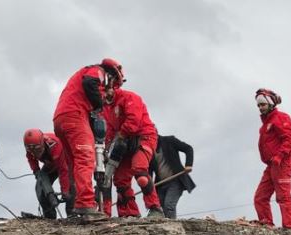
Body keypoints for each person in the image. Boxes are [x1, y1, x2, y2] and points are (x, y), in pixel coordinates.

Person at [53, 58, 124, 218]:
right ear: (112, 75)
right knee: (85, 158)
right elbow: (90, 82)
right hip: (74, 115)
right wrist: (99, 105)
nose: (109, 91)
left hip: (61, 119)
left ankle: (76, 205)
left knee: (74, 163)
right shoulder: (99, 71)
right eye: (111, 86)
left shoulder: (80, 79)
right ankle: (85, 204)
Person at [101, 84, 163, 217]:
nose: (106, 94)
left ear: (113, 87)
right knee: (120, 180)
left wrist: (119, 136)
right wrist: (107, 149)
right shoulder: (106, 109)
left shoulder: (129, 97)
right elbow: (110, 131)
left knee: (140, 172)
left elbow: (133, 121)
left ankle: (155, 208)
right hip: (124, 143)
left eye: (107, 89)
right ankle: (129, 213)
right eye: (102, 91)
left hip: (143, 137)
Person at [253, 88, 291, 229]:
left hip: (281, 163)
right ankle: (266, 223)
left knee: (283, 196)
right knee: (260, 197)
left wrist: (279, 156)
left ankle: (289, 227)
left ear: (271, 104)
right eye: (259, 105)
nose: (260, 108)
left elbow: (289, 140)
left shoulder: (281, 118)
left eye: (263, 104)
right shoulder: (266, 123)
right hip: (271, 165)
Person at [23, 128, 74, 219]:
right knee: (40, 186)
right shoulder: (30, 147)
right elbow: (31, 159)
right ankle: (49, 216)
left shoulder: (54, 145)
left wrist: (64, 191)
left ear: (43, 143)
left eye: (38, 149)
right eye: (31, 150)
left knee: (71, 187)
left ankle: (72, 214)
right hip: (50, 163)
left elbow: (63, 170)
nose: (35, 153)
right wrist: (36, 171)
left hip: (65, 161)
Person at [151, 135, 195, 219]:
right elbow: (149, 169)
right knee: (159, 207)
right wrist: (147, 183)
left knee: (169, 205)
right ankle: (167, 227)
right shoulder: (149, 150)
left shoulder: (169, 141)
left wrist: (188, 165)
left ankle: (172, 227)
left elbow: (188, 148)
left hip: (175, 180)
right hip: (160, 184)